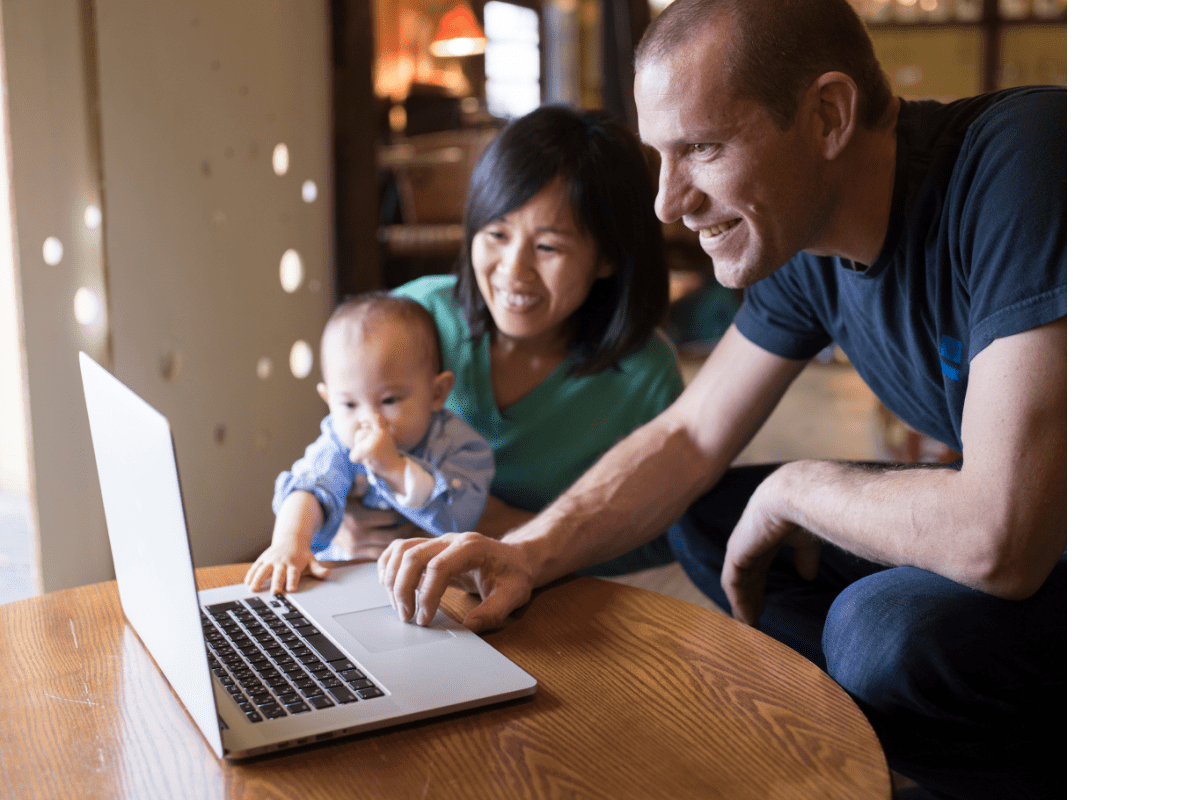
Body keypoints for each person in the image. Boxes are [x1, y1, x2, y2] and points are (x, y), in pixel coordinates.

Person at [372, 2, 1066, 798]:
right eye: (658, 157)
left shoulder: (1024, 160)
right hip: (1035, 540)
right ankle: (890, 746)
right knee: (711, 519)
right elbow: (690, 438)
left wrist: (795, 486)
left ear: (829, 115)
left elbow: (999, 539)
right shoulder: (806, 243)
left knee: (879, 631)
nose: (668, 203)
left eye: (701, 148)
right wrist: (528, 552)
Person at [336, 105, 684, 575]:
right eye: (496, 233)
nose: (513, 271)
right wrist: (337, 520)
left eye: (548, 246)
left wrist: (513, 531)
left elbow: (663, 538)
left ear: (607, 256)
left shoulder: (645, 377)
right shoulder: (414, 319)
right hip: (383, 582)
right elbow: (336, 446)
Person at [245, 293, 494, 595]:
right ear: (329, 402)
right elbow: (310, 486)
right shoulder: (339, 441)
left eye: (389, 400)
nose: (369, 421)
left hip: (429, 589)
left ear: (437, 393)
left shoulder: (460, 445)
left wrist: (392, 467)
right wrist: (289, 541)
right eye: (349, 404)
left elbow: (459, 519)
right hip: (342, 578)